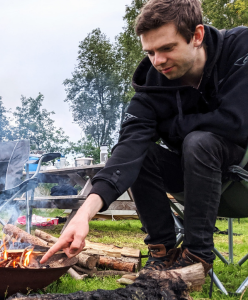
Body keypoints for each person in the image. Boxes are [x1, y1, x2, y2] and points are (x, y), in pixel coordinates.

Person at [42, 0, 248, 277]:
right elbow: (127, 149)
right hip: (194, 181)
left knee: (199, 141)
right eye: (150, 52)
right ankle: (161, 253)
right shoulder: (152, 86)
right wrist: (84, 213)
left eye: (167, 48)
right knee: (143, 154)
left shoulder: (240, 49)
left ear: (197, 36)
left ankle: (196, 259)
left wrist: (172, 127)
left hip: (242, 180)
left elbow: (236, 122)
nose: (158, 61)